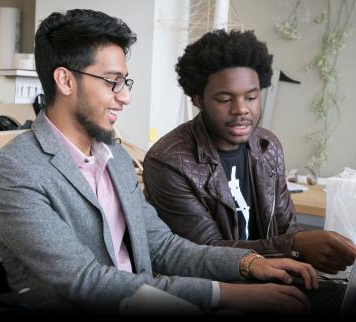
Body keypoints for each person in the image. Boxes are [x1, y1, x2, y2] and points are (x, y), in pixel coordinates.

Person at [0, 10, 317, 315]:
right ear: (66, 80)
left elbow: (164, 247)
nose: (125, 96)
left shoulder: (115, 159)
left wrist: (248, 263)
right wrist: (229, 294)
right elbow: (83, 281)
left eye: (124, 82)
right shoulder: (13, 171)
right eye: (112, 82)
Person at [143, 29, 356, 276]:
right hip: (212, 292)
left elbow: (287, 228)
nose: (241, 109)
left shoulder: (268, 146)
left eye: (252, 97)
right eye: (225, 99)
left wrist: (308, 248)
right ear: (198, 99)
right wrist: (296, 246)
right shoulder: (170, 162)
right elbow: (206, 251)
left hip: (273, 281)